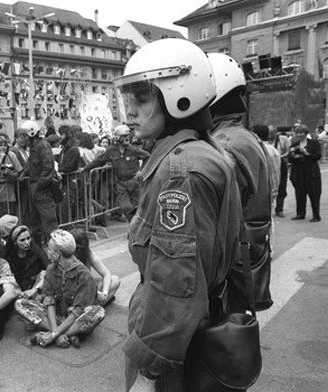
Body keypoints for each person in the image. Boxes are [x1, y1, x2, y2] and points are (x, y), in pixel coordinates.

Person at [114, 39, 242, 391]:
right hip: (189, 333)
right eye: (128, 99)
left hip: (173, 347)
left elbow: (174, 285)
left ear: (179, 96)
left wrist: (147, 373)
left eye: (141, 99)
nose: (130, 112)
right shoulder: (198, 152)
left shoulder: (180, 169)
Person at [208, 52, 274, 312]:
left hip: (232, 256)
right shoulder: (246, 137)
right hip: (251, 248)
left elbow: (216, 216)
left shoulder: (223, 145)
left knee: (224, 331)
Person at [15, 229, 105, 349]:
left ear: (58, 254)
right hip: (58, 315)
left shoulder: (84, 275)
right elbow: (49, 301)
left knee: (98, 312)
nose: (47, 252)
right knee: (20, 304)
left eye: (50, 249)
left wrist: (52, 335)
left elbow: (77, 312)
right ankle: (69, 334)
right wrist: (55, 333)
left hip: (75, 319)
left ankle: (59, 334)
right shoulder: (51, 269)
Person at [82, 124, 150, 222]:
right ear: (117, 137)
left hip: (134, 182)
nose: (127, 138)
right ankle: (134, 224)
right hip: (120, 183)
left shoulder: (133, 150)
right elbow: (98, 161)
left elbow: (147, 156)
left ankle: (135, 227)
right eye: (124, 136)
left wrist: (142, 171)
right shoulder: (110, 151)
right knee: (125, 207)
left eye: (127, 136)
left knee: (139, 207)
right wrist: (85, 169)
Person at [21, 120, 58, 244]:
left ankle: (57, 248)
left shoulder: (43, 146)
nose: (22, 139)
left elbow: (48, 169)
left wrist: (38, 187)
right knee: (35, 223)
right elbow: (30, 166)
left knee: (49, 223)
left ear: (31, 134)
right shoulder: (33, 147)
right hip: (36, 189)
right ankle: (38, 250)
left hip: (42, 190)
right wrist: (21, 174)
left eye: (24, 136)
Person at [71, 228, 120, 306]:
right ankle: (94, 306)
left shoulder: (89, 254)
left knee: (115, 280)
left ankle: (96, 305)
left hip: (89, 286)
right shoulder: (68, 256)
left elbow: (106, 274)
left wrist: (105, 293)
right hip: (75, 290)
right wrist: (96, 292)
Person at [2, 225, 49, 298]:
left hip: (36, 287)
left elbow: (49, 271)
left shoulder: (38, 252)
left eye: (28, 238)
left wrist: (35, 289)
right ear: (15, 242)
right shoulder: (8, 256)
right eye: (22, 240)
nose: (27, 242)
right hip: (16, 289)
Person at [288, 124, 322, 222]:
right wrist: (294, 155)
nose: (299, 134)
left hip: (311, 172)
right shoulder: (294, 144)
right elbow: (290, 159)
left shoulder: (313, 143)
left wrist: (307, 154)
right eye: (297, 133)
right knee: (300, 193)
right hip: (298, 172)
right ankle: (300, 213)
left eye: (301, 132)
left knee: (314, 193)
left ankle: (316, 215)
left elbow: (317, 156)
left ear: (305, 133)